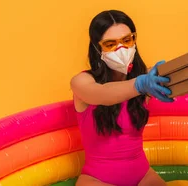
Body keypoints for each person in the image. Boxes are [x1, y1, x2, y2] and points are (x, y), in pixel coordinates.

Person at [69, 10, 172, 186]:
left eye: (127, 40)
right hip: (97, 180)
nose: (121, 48)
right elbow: (102, 94)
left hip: (143, 177)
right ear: (96, 47)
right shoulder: (81, 82)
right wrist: (139, 85)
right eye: (110, 44)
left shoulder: (146, 77)